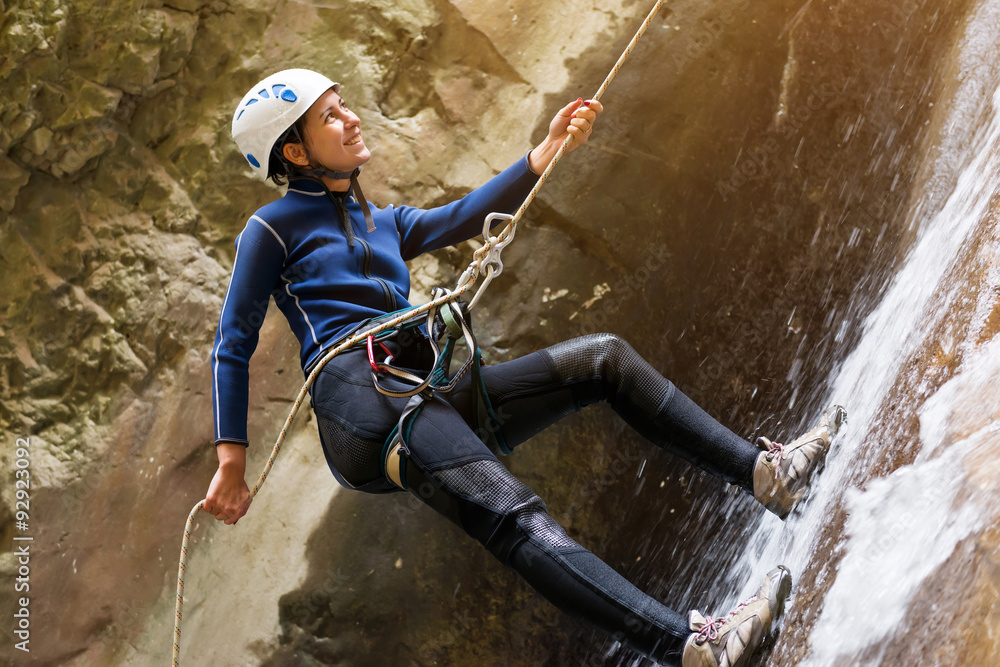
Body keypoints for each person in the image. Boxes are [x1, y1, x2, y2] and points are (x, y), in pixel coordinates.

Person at [205, 68, 846, 666]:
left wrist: (546, 151)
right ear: (295, 152)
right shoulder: (272, 228)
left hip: (419, 391)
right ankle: (691, 647)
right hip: (361, 402)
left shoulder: (379, 220)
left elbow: (456, 218)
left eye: (345, 106)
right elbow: (233, 341)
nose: (351, 119)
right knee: (515, 515)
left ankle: (768, 474)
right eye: (331, 116)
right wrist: (231, 462)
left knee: (602, 360)